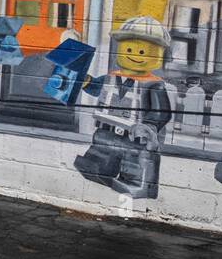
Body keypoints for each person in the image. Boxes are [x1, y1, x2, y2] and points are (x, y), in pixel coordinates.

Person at [73, 16, 174, 200]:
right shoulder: (111, 78)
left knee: (135, 162)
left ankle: (135, 182)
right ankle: (100, 169)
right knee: (101, 154)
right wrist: (86, 82)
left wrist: (150, 126)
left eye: (143, 51)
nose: (135, 55)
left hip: (136, 139)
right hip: (106, 132)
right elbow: (98, 87)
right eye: (128, 49)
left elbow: (161, 112)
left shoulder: (153, 85)